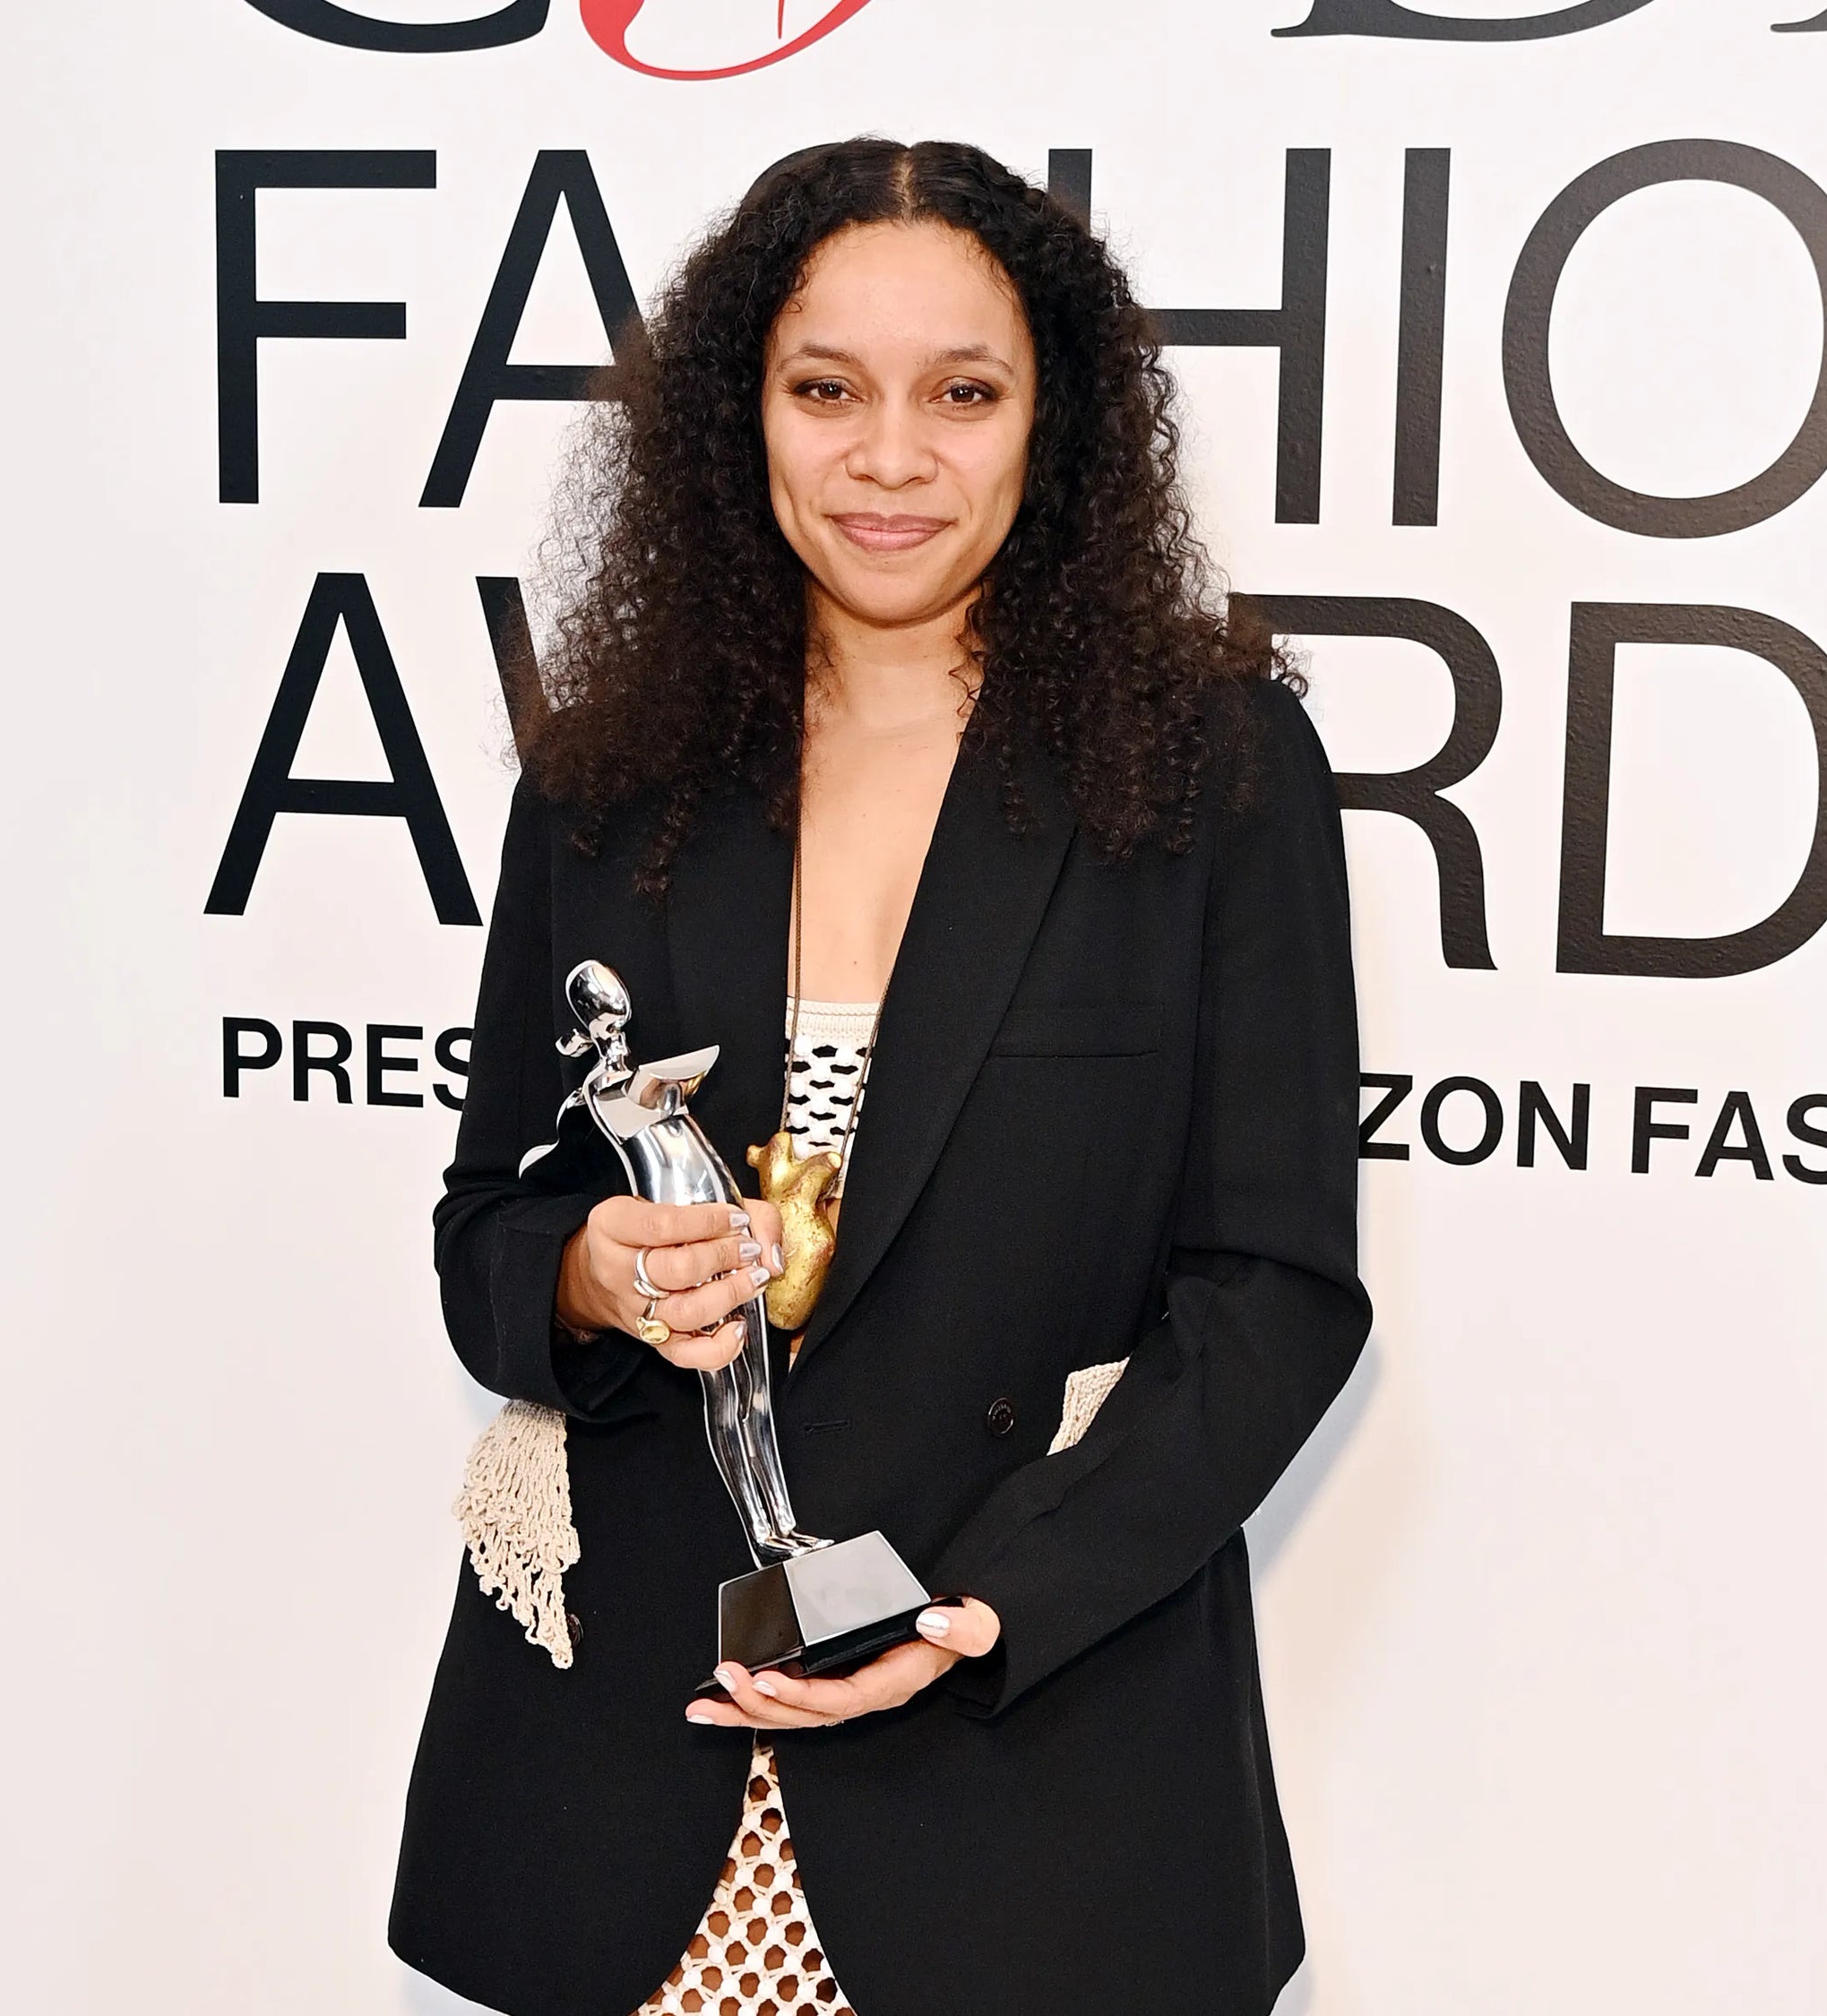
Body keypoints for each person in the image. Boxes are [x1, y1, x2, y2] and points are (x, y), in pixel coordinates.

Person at [392, 138, 1371, 2016]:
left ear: (1052, 421)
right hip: (622, 1789)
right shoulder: (612, 773)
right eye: (827, 388)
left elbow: (1274, 1294)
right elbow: (486, 1227)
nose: (891, 457)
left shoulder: (1212, 772)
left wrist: (984, 1607)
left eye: (964, 393)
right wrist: (593, 1273)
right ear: (738, 411)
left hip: (1026, 1758)